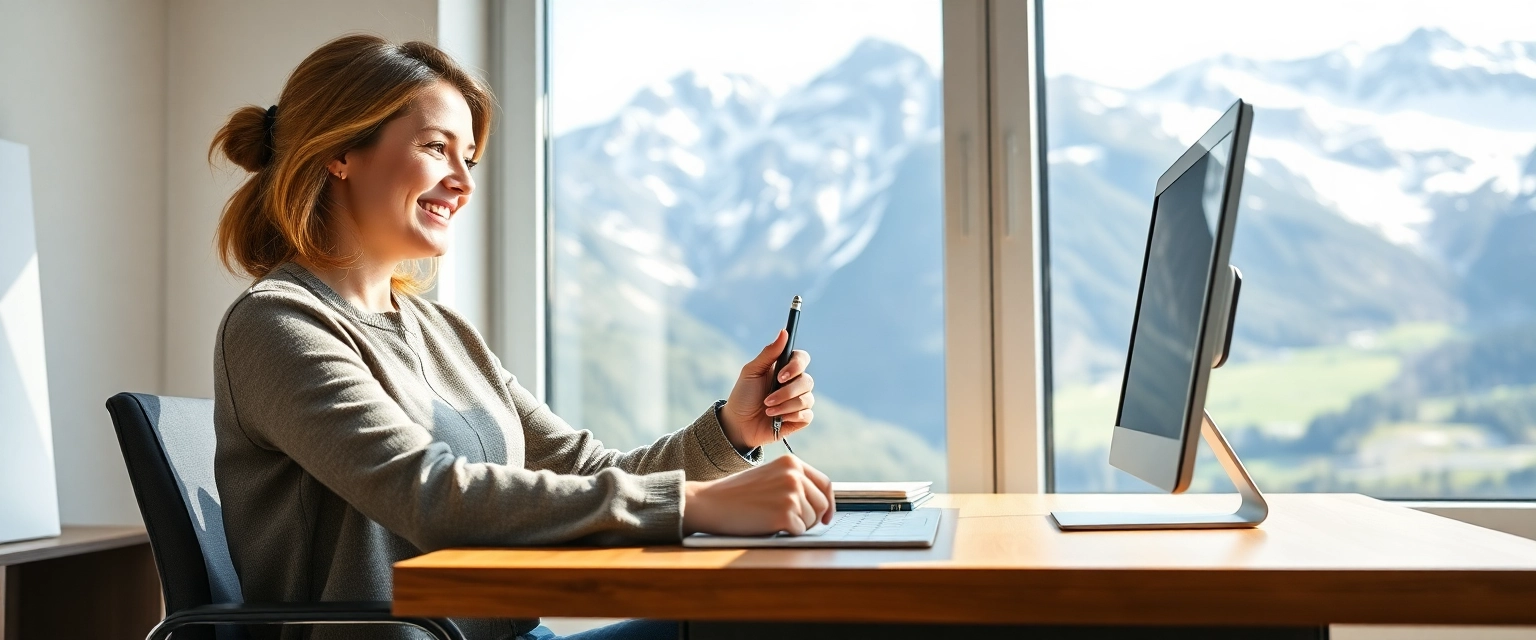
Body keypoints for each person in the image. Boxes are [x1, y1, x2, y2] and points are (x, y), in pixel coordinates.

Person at [208, 34, 834, 640]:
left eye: (468, 159)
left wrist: (731, 431)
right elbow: (429, 495)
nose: (464, 181)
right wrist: (692, 506)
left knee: (766, 620)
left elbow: (590, 470)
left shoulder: (442, 331)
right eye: (436, 148)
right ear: (339, 151)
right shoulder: (278, 326)